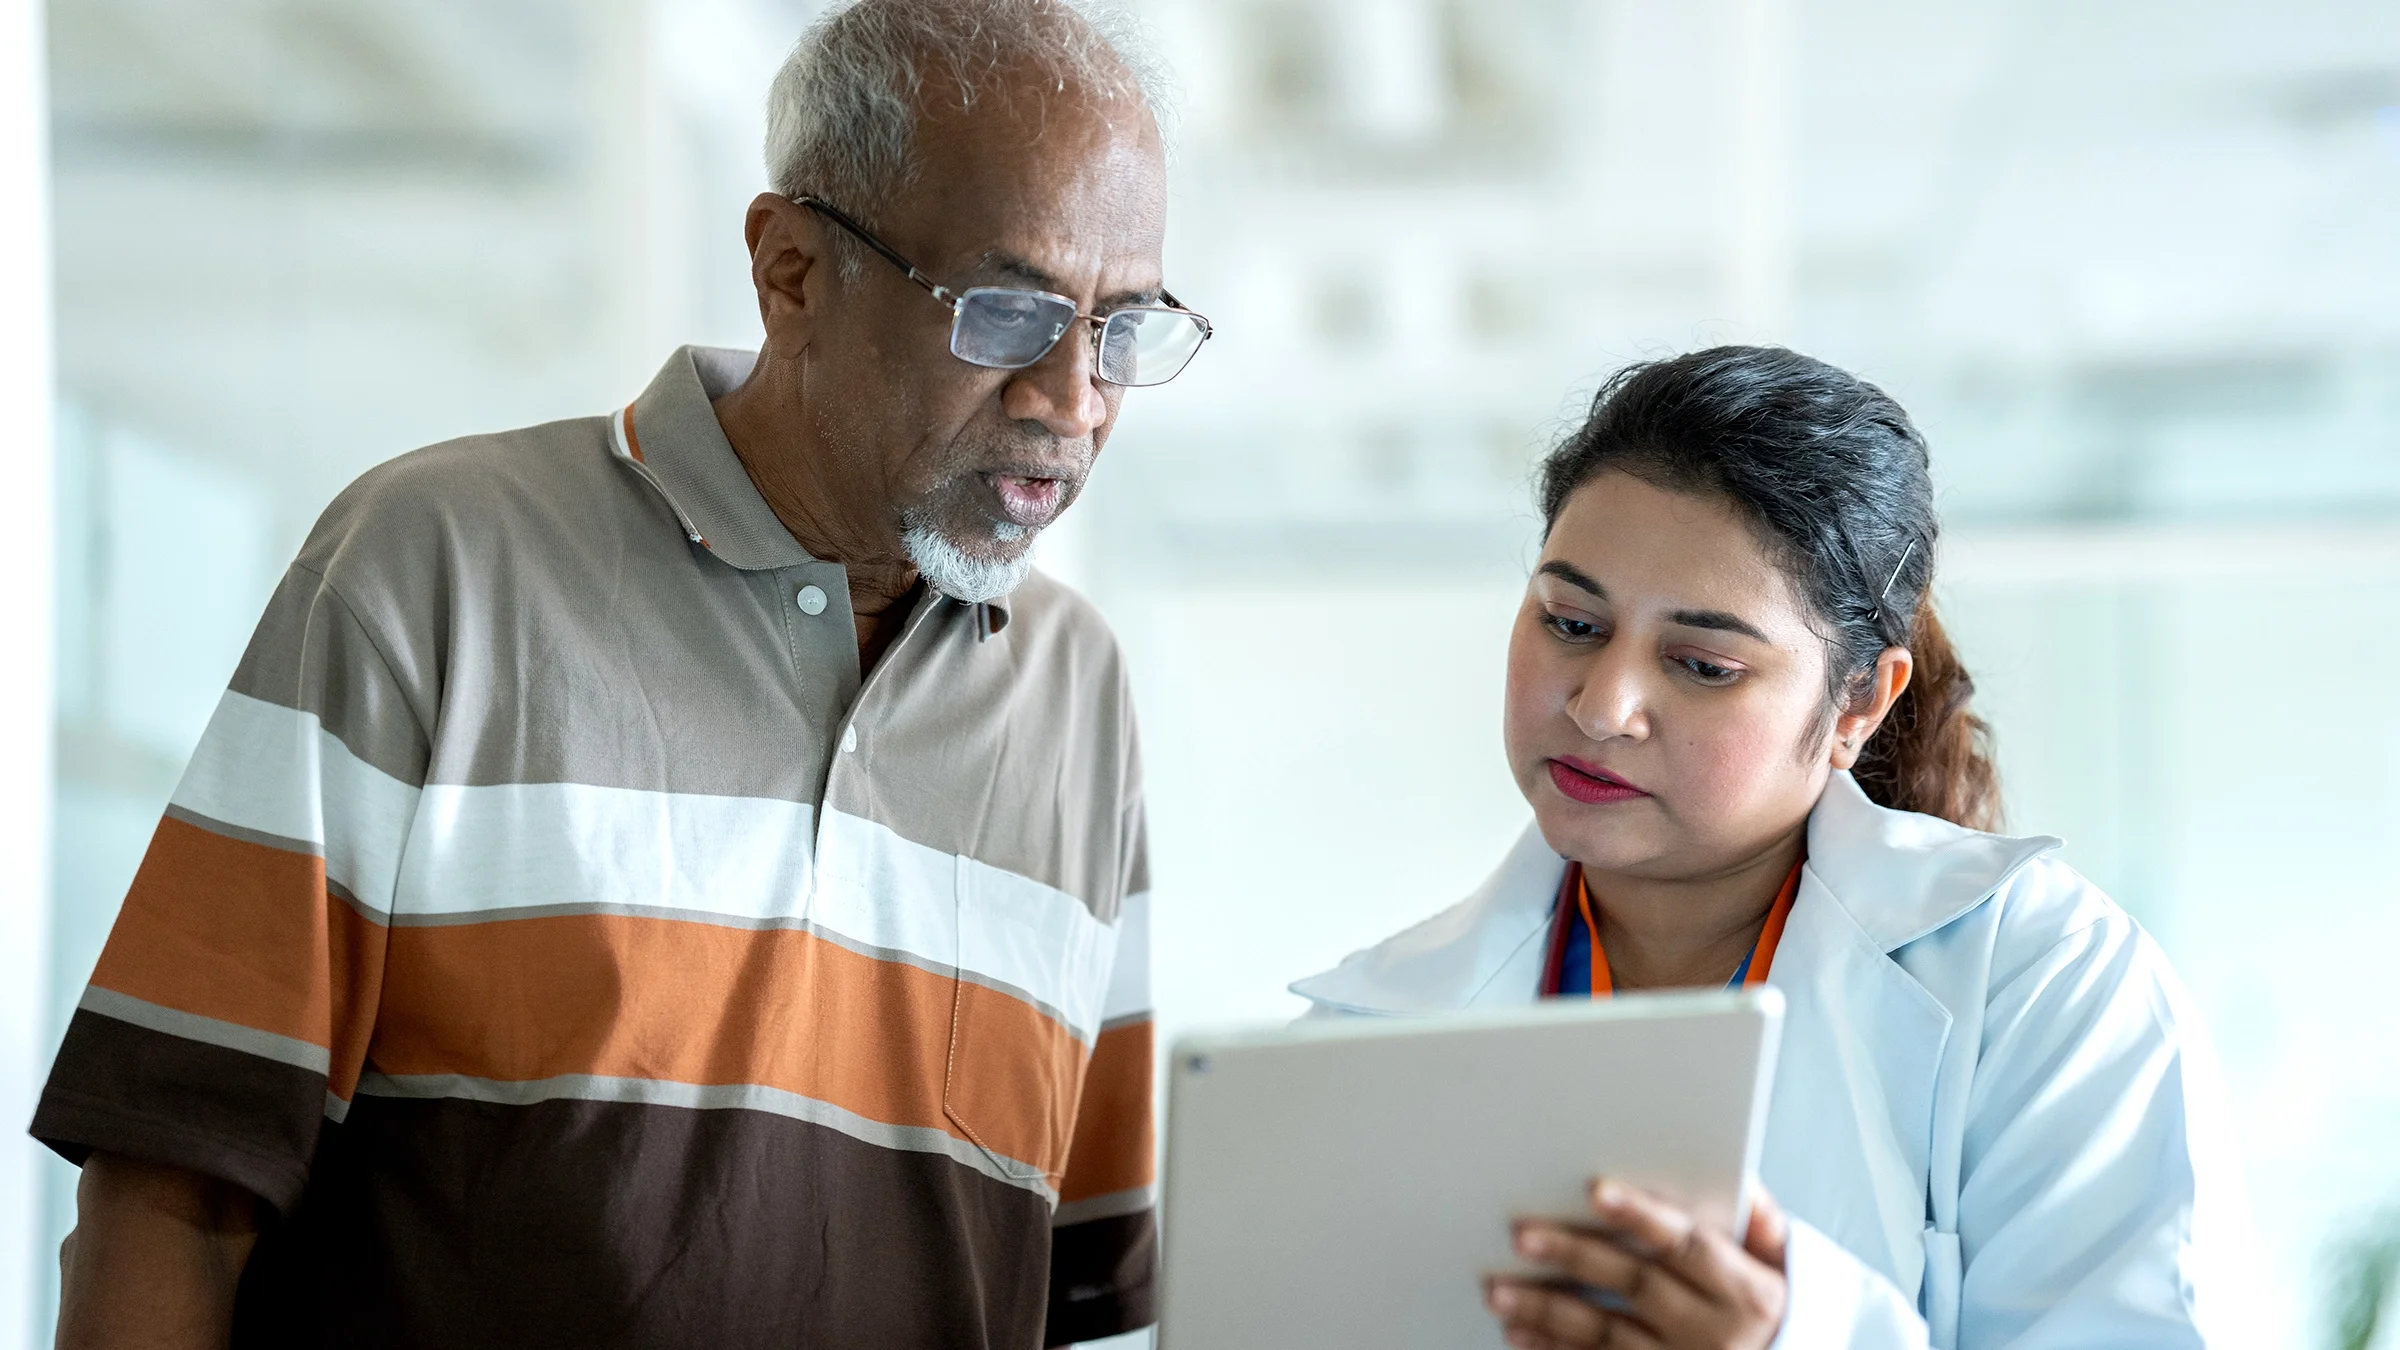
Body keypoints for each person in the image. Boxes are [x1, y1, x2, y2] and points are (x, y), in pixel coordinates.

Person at [34, 1, 1204, 1345]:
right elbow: (170, 1194)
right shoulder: (437, 568)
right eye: (1009, 312)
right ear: (793, 271)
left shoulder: (1077, 693)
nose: (1077, 397)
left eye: (1123, 328)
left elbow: (1088, 1289)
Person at [1291, 348, 2253, 1348]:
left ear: (1858, 705)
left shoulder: (2041, 982)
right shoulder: (1357, 1037)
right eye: (1571, 622)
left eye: (1704, 665)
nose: (1603, 706)